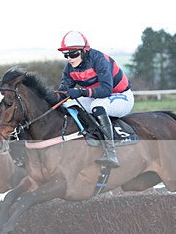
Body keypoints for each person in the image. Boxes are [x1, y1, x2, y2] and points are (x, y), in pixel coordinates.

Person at [56, 31, 135, 168]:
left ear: (84, 51)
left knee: (98, 105)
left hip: (121, 96)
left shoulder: (100, 60)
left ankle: (111, 152)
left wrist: (81, 92)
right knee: (68, 105)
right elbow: (63, 92)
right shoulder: (69, 68)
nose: (69, 58)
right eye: (66, 54)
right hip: (98, 97)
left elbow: (106, 90)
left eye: (73, 54)